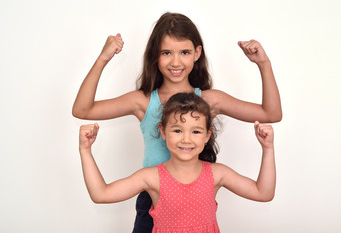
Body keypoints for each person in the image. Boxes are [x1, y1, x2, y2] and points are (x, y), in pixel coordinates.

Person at [73, 12, 281, 232]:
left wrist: (263, 64)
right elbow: (82, 109)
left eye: (184, 52)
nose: (175, 61)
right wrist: (103, 58)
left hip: (197, 197)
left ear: (197, 53)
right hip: (154, 198)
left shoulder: (209, 100)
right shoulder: (143, 101)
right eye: (166, 52)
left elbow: (271, 114)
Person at [79, 93, 276, 233]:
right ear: (163, 132)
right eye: (177, 130)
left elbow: (263, 193)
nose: (186, 139)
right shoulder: (151, 177)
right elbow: (101, 194)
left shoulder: (217, 174)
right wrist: (85, 150)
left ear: (208, 135)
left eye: (196, 131)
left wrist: (268, 149)